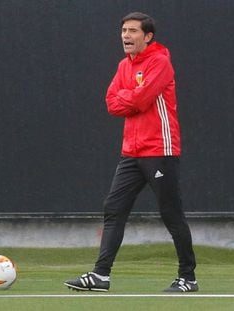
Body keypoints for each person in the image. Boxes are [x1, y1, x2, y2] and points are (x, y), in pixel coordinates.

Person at [64, 12, 198, 293]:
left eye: (133, 31)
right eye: (124, 30)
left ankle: (188, 277)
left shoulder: (160, 62)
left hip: (159, 149)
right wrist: (130, 98)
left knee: (171, 213)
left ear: (148, 36)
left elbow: (141, 98)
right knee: (113, 208)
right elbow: (112, 103)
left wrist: (130, 97)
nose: (126, 36)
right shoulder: (124, 66)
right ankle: (101, 275)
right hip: (131, 152)